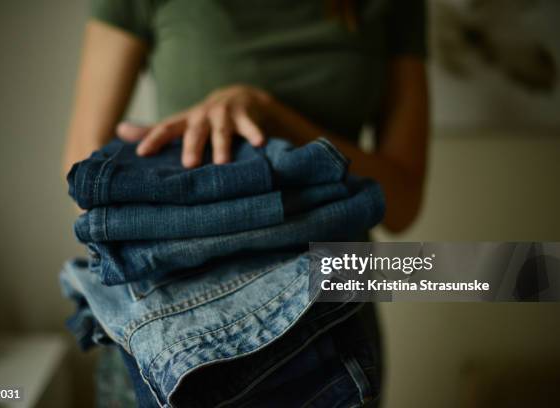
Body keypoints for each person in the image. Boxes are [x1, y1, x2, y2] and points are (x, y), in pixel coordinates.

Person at [63, 0, 429, 406]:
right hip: (176, 317)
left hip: (331, 309)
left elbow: (402, 202)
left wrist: (272, 116)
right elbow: (87, 190)